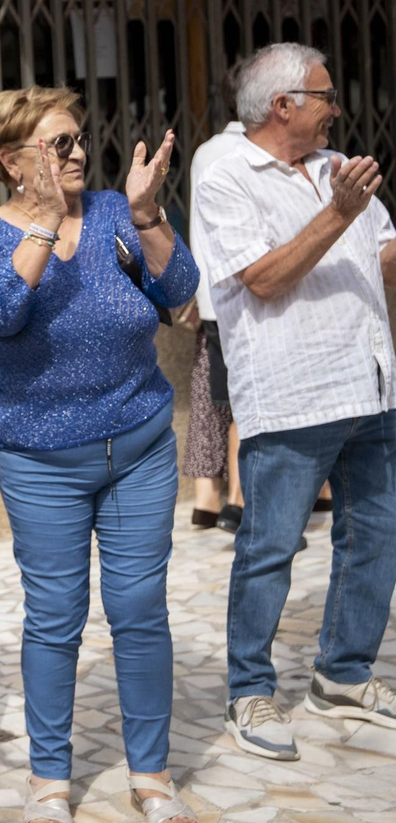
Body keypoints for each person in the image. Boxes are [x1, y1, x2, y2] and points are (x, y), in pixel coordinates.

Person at [0, 86, 199, 823]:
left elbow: (181, 291)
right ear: (11, 160)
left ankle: (152, 777)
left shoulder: (111, 214)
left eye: (75, 141)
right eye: (56, 144)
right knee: (56, 615)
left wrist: (147, 212)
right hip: (40, 460)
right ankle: (50, 783)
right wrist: (44, 221)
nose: (75, 154)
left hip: (139, 444)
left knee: (137, 608)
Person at [194, 43, 396, 760]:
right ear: (284, 106)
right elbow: (264, 279)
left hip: (370, 386)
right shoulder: (226, 176)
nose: (338, 107)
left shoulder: (335, 170)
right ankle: (250, 692)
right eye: (326, 94)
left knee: (377, 538)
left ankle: (342, 677)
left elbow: (382, 258)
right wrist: (339, 214)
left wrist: (350, 211)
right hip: (292, 395)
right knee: (269, 549)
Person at [184, 61, 249, 530]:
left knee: (219, 398)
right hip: (240, 299)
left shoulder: (208, 151)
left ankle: (216, 499)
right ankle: (242, 502)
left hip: (211, 297)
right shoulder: (242, 153)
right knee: (247, 402)